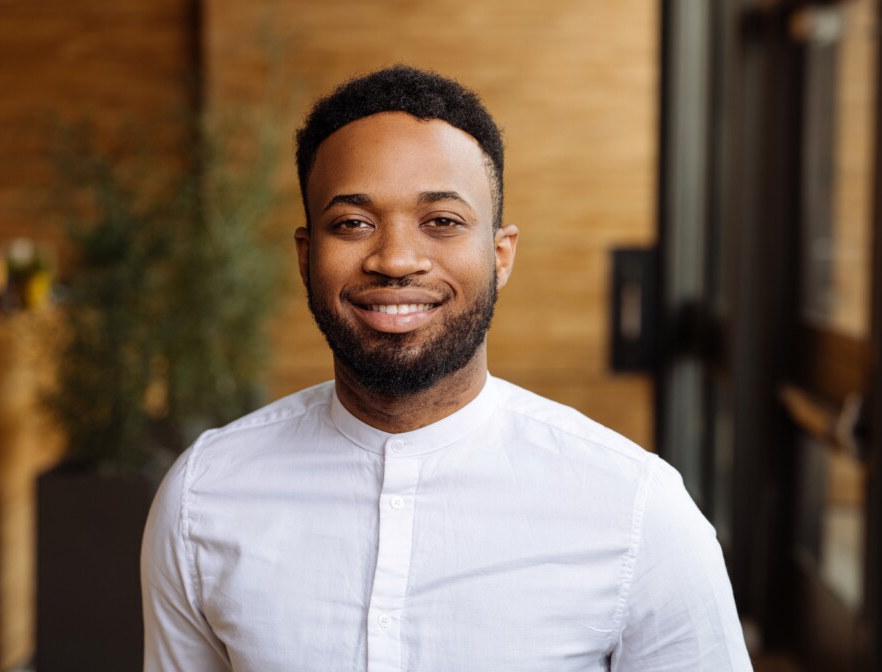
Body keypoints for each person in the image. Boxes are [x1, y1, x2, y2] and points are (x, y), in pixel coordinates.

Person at [141, 65, 752, 671]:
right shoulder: (203, 495)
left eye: (442, 221)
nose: (397, 260)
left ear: (500, 254)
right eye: (353, 223)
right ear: (307, 257)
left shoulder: (639, 510)